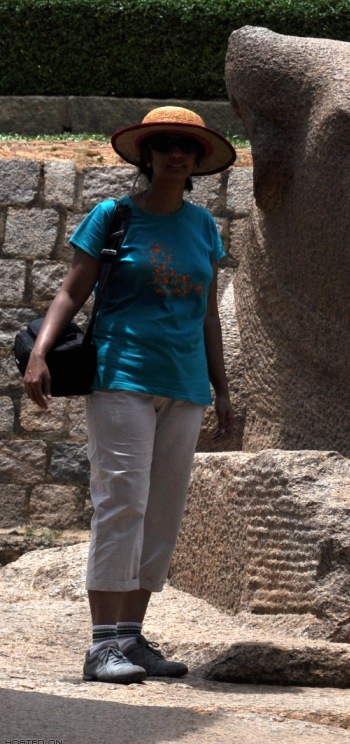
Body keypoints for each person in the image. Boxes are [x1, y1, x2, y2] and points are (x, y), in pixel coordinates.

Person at [23, 106, 237, 684]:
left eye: (187, 148)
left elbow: (208, 316)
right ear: (147, 155)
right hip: (122, 374)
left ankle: (132, 638)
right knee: (123, 500)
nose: (176, 154)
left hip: (186, 383)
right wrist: (40, 351)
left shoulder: (203, 228)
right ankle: (100, 646)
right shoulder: (113, 216)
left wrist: (222, 389)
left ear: (197, 163)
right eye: (165, 145)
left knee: (163, 513)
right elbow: (72, 291)